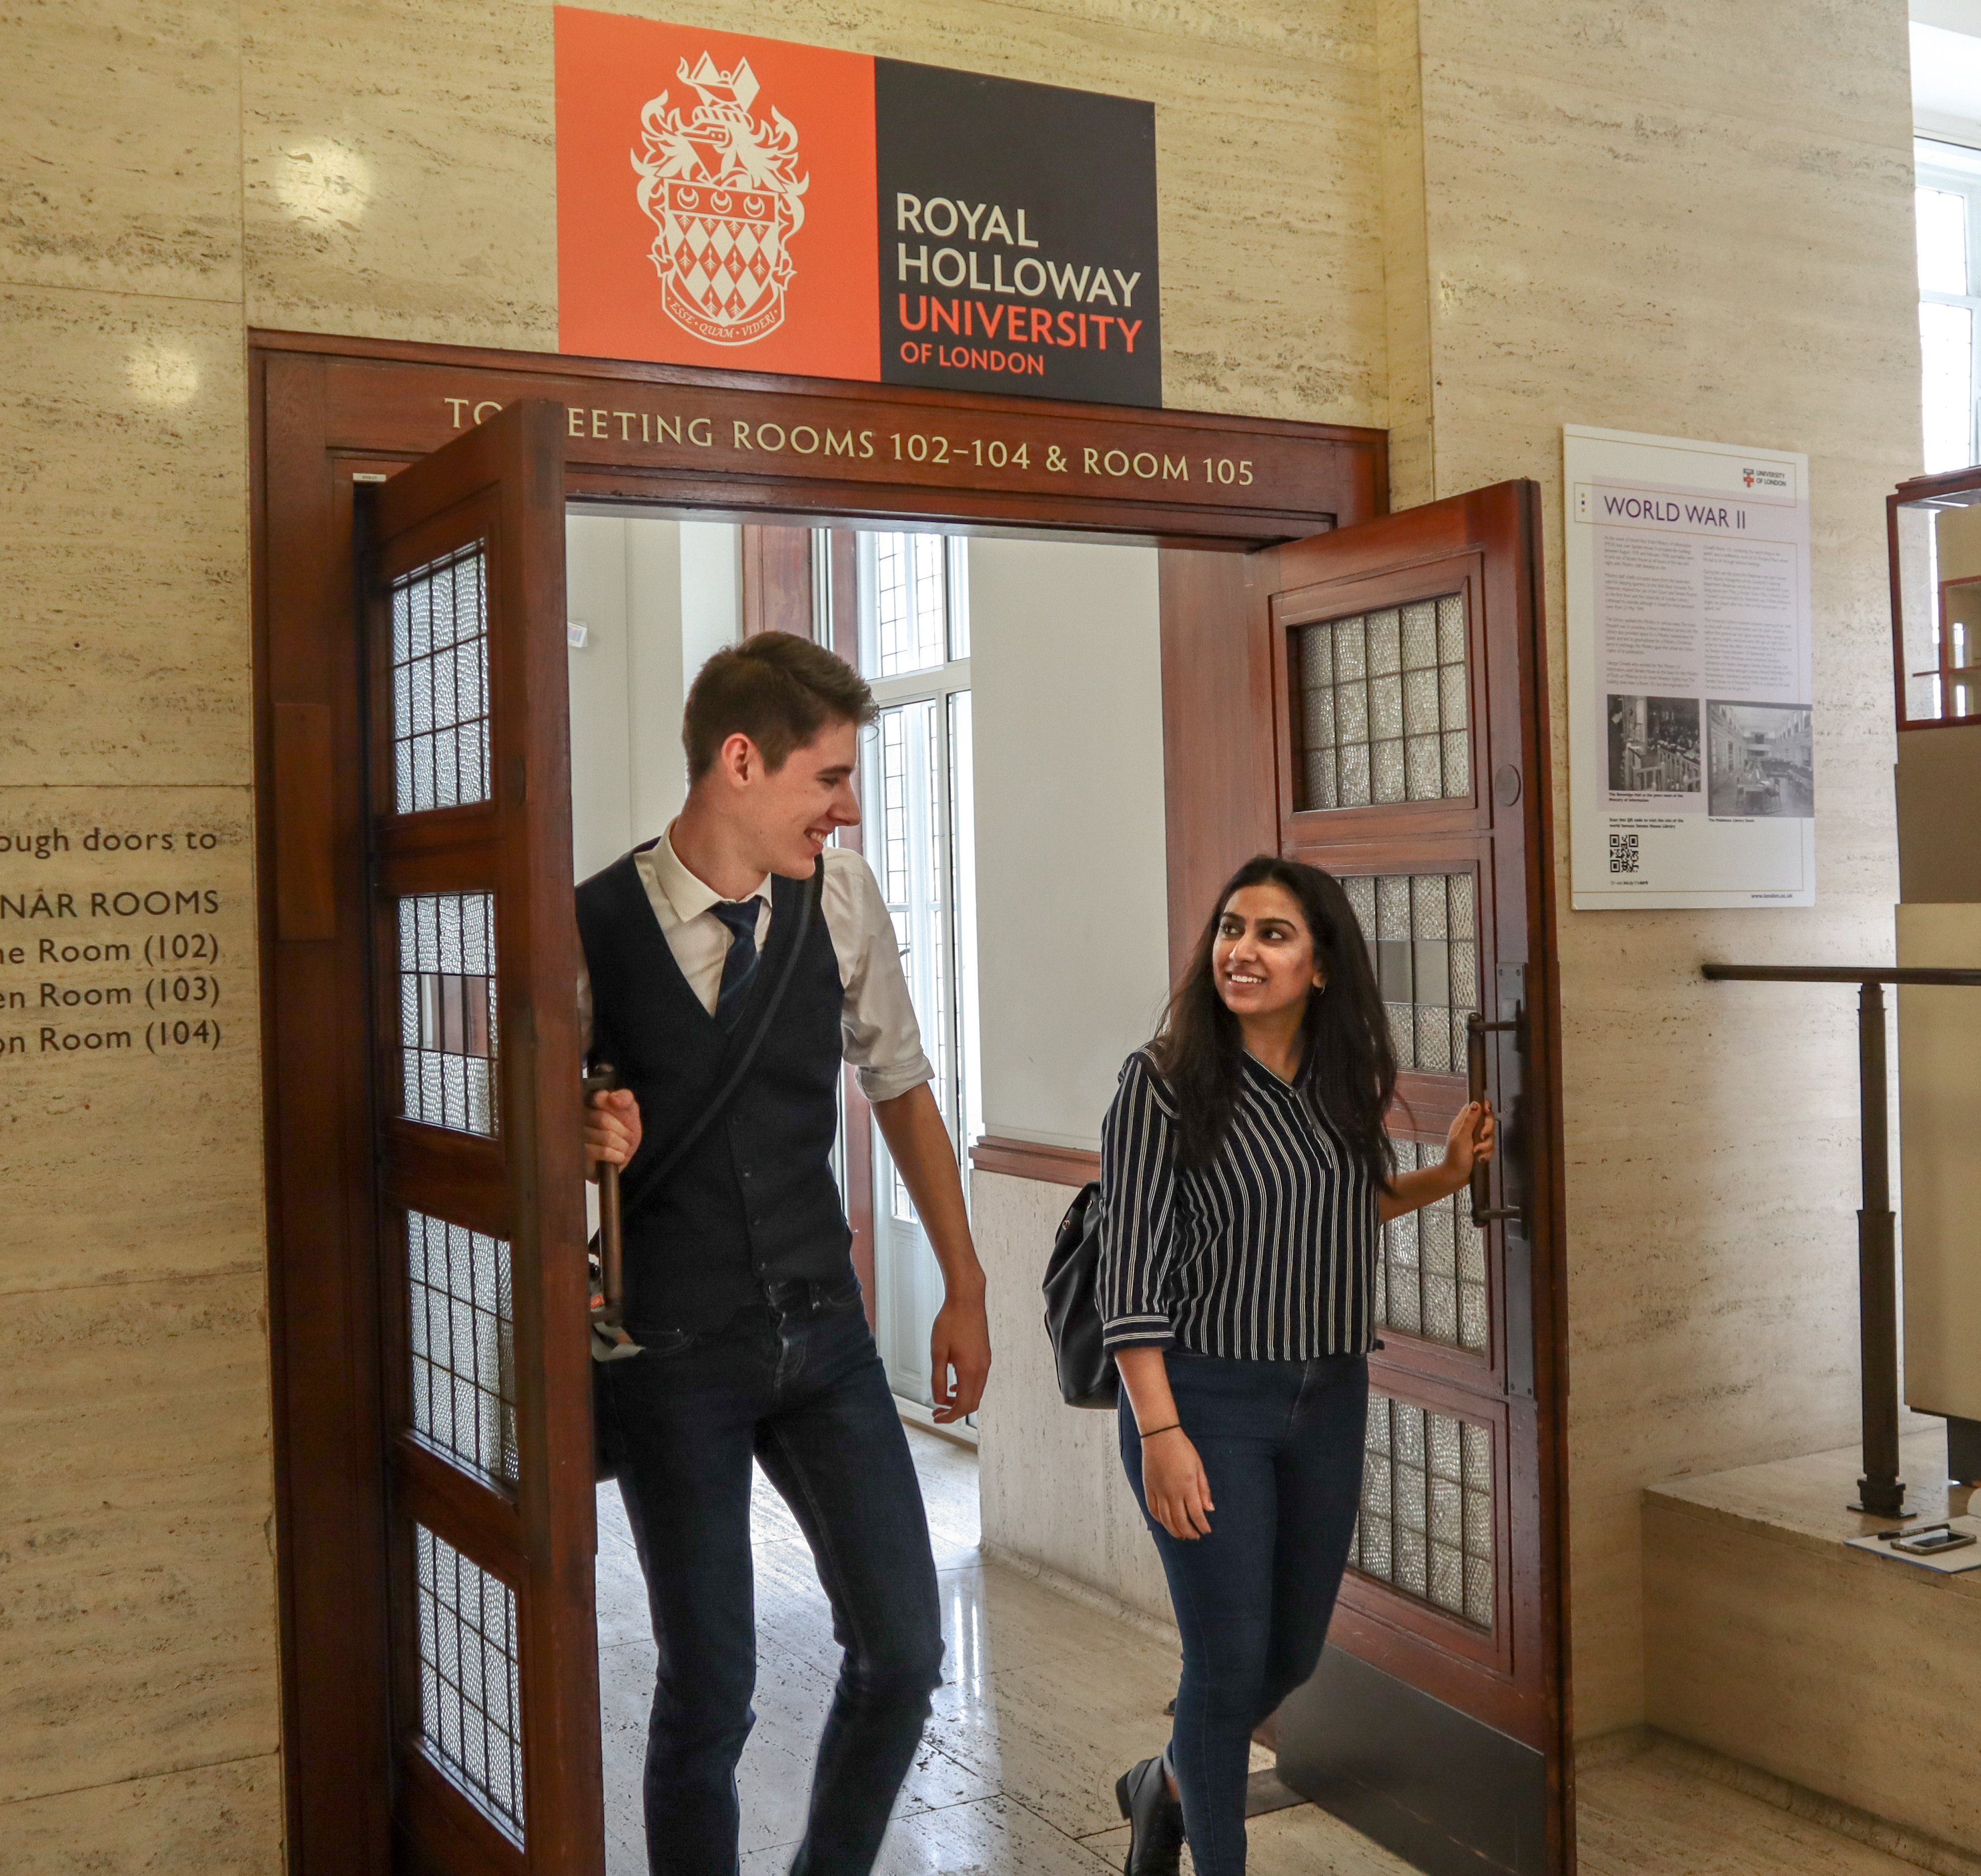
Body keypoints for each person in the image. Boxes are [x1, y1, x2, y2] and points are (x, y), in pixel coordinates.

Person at [578, 631, 993, 1876]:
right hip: (672, 1354)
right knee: (710, 1692)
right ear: (741, 760)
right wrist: (574, 1133)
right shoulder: (590, 923)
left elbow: (904, 1089)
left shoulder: (843, 898)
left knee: (906, 1654)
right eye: (828, 776)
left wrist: (964, 1287)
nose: (848, 805)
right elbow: (517, 1138)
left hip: (823, 1333)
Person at [1093, 855, 1493, 1876]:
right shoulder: (1160, 1084)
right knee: (1226, 1664)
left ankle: (1164, 1780)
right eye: (1232, 927)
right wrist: (1160, 1431)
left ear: (1319, 965)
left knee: (1289, 1655)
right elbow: (1127, 1275)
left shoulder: (1333, 1079)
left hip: (1324, 1394)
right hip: (1201, 1400)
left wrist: (1442, 1176)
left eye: (1272, 933)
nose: (1241, 949)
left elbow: (1334, 1207)